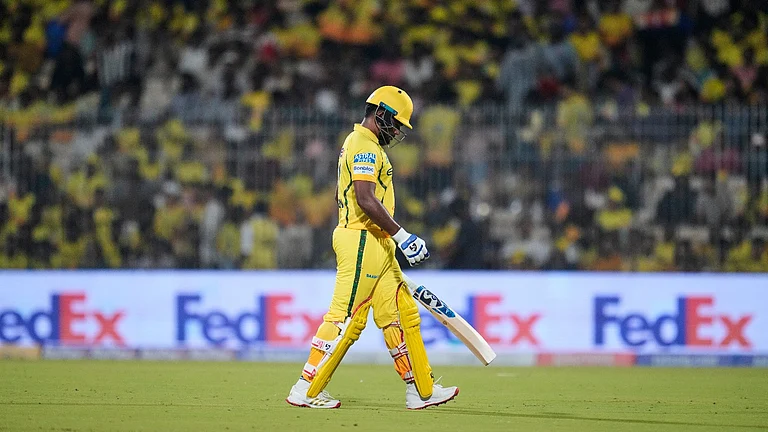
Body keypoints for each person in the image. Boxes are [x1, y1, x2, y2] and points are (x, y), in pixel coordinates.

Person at [285, 86, 458, 410]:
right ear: (381, 113)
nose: (398, 131)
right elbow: (364, 198)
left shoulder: (362, 144)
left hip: (375, 241)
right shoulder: (364, 145)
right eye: (396, 123)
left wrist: (389, 236)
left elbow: (355, 193)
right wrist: (401, 235)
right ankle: (305, 388)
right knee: (347, 319)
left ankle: (421, 389)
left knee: (401, 314)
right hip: (362, 239)